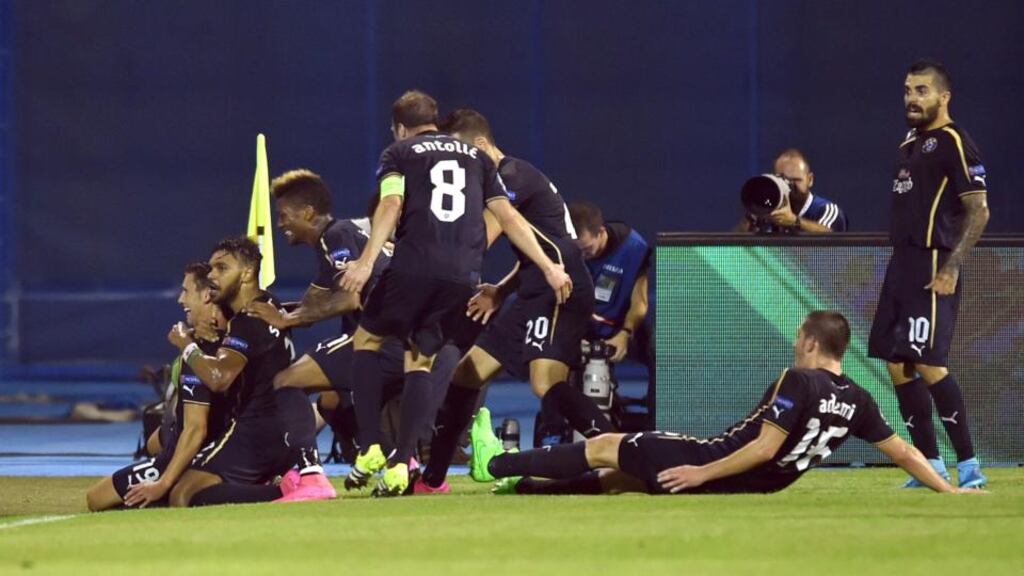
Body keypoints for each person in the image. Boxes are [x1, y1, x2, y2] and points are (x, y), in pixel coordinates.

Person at [338, 91, 572, 496]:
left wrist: (365, 261)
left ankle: (370, 447)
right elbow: (508, 216)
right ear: (434, 119)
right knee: (420, 358)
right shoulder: (477, 157)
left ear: (399, 127)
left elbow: (391, 203)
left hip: (414, 266)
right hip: (463, 276)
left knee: (367, 339)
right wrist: (549, 265)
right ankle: (401, 464)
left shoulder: (399, 153)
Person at [468, 311, 982, 496]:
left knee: (605, 446)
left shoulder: (798, 380)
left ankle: (495, 463)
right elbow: (906, 453)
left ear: (809, 342)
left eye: (797, 337)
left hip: (711, 463)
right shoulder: (860, 400)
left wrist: (700, 473)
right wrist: (951, 490)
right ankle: (527, 488)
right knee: (621, 480)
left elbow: (762, 447)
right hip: (752, 487)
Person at [416, 109, 598, 494]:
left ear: (481, 146)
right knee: (467, 373)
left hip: (560, 285)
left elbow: (483, 234)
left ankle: (620, 448)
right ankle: (432, 480)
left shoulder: (513, 176)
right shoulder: (499, 182)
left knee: (545, 382)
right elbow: (533, 248)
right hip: (534, 287)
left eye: (461, 152)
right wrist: (500, 291)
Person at [245, 169, 408, 502]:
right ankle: (401, 467)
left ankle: (310, 476)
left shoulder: (336, 236)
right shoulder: (336, 240)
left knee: (287, 381)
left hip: (383, 342)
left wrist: (285, 321)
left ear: (307, 213)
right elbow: (318, 300)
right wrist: (285, 311)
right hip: (404, 342)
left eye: (284, 215)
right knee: (332, 402)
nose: (280, 223)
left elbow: (350, 297)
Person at [868, 60, 990, 489]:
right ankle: (931, 467)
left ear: (944, 97)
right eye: (907, 90)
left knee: (928, 361)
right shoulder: (910, 141)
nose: (911, 99)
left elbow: (979, 209)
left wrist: (953, 266)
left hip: (934, 262)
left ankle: (970, 466)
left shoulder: (955, 141)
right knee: (898, 365)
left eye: (921, 90)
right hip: (901, 263)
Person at [86, 262, 229, 510]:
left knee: (96, 498)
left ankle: (175, 487)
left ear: (206, 295)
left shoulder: (197, 352)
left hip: (202, 452)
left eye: (186, 291)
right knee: (155, 441)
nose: (179, 299)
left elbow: (196, 429)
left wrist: (164, 481)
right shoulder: (232, 339)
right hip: (226, 446)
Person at [164, 237, 295, 506]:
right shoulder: (270, 304)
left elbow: (219, 379)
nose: (212, 276)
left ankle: (285, 494)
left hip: (255, 432)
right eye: (211, 269)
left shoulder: (247, 322)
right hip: (283, 428)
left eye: (222, 268)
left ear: (247, 273)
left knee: (181, 493)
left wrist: (187, 345)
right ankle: (279, 485)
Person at [568, 201, 651, 365]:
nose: (581, 256)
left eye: (586, 249)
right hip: (579, 325)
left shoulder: (634, 248)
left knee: (657, 349)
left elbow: (640, 302)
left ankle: (655, 392)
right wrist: (570, 336)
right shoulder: (564, 249)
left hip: (620, 325)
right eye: (577, 250)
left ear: (601, 232)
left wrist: (625, 333)